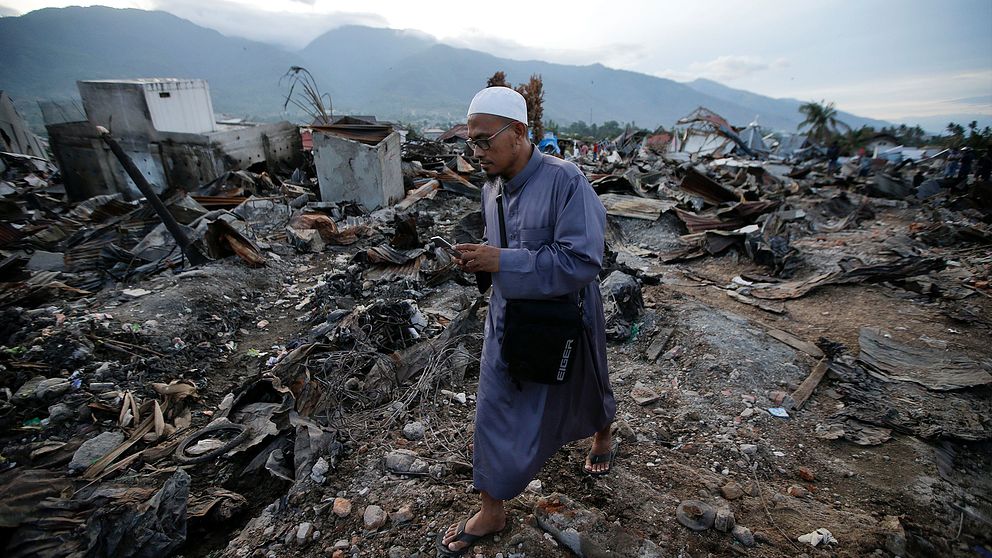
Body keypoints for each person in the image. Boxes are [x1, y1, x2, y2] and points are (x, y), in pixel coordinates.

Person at [437, 87, 617, 556]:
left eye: (483, 141)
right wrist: (481, 261)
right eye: (469, 144)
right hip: (510, 315)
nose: (475, 153)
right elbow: (505, 248)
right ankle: (492, 507)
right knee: (494, 403)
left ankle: (602, 433)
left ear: (517, 132)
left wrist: (504, 260)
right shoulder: (490, 188)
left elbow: (582, 260)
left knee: (586, 381)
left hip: (566, 314)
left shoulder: (566, 181)